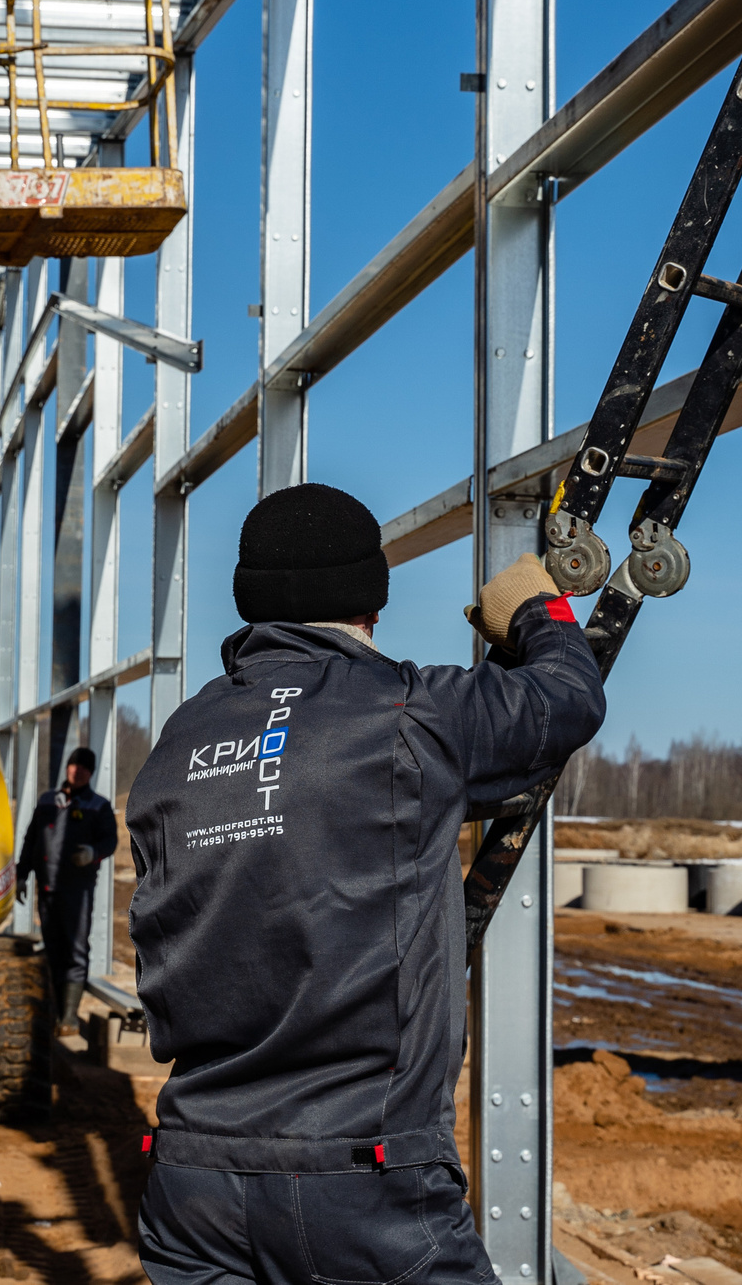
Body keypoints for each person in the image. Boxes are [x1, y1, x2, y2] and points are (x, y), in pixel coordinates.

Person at [125, 482, 606, 1285]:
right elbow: (567, 699)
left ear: (251, 605)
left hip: (192, 1184)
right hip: (362, 1182)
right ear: (370, 604)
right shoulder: (409, 713)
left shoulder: (179, 743)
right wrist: (532, 610)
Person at [17, 744, 119, 1032]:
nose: (78, 772)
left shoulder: (97, 806)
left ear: (90, 773)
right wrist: (22, 874)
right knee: (52, 947)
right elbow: (30, 840)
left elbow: (110, 841)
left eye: (84, 768)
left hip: (78, 889)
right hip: (48, 888)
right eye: (74, 766)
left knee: (75, 948)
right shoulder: (48, 801)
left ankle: (69, 1017)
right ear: (67, 769)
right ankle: (51, 1010)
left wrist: (93, 853)